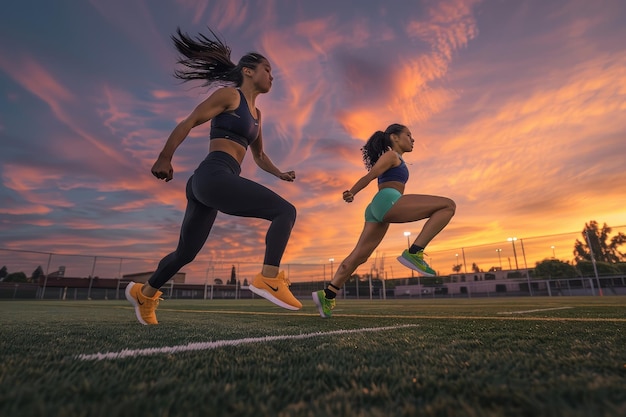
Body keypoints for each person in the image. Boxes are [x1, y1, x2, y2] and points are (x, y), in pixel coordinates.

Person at [125, 28, 301, 325]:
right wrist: (165, 156)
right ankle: (269, 278)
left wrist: (280, 173)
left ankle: (145, 293)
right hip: (212, 175)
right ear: (248, 71)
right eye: (267, 69)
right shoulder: (229, 95)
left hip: (211, 183)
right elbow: (190, 120)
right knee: (285, 211)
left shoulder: (257, 116)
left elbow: (259, 156)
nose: (272, 75)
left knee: (185, 254)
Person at [312, 123, 455, 318]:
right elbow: (371, 175)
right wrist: (352, 192)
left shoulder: (396, 159)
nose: (413, 139)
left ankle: (327, 294)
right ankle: (414, 252)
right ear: (395, 138)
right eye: (408, 135)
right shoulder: (391, 156)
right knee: (448, 205)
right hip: (387, 200)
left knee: (359, 257)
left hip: (376, 208)